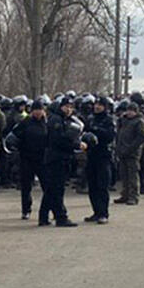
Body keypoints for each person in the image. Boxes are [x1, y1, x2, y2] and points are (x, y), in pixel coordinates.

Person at [41, 95, 85, 226]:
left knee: (51, 189)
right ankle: (61, 217)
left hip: (61, 158)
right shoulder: (56, 120)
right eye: (66, 107)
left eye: (71, 107)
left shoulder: (65, 120)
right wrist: (76, 145)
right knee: (56, 189)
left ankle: (43, 216)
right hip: (56, 159)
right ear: (60, 107)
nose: (68, 109)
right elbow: (59, 140)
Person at [9, 97, 49, 220]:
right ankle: (26, 210)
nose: (38, 112)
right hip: (26, 158)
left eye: (40, 110)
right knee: (26, 186)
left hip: (43, 159)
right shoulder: (25, 122)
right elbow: (13, 137)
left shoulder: (47, 123)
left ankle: (50, 209)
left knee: (47, 186)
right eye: (35, 110)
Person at [84, 96, 117, 223]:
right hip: (91, 155)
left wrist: (96, 130)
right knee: (92, 186)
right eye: (96, 104)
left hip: (104, 156)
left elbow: (110, 136)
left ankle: (103, 213)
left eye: (100, 105)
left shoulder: (109, 120)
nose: (97, 107)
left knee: (102, 185)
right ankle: (96, 211)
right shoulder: (91, 119)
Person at [115, 101, 144, 205]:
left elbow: (141, 137)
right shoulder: (124, 121)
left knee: (133, 175)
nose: (129, 113)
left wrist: (131, 148)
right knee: (124, 175)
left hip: (133, 152)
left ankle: (133, 196)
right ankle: (125, 194)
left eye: (131, 111)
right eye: (128, 110)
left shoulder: (139, 122)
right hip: (122, 150)